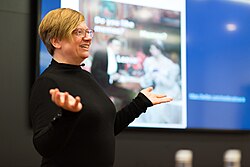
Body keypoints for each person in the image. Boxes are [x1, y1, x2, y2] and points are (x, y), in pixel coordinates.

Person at [29, 8, 173, 167]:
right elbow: (43, 146)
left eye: (88, 32)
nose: (87, 38)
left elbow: (107, 128)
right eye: (78, 32)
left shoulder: (86, 77)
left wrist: (140, 102)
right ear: (56, 41)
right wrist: (67, 115)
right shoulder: (48, 82)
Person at [134, 40, 182, 124]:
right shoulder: (148, 61)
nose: (151, 51)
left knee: (158, 108)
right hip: (158, 90)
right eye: (150, 49)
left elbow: (170, 83)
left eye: (153, 49)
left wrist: (159, 76)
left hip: (170, 91)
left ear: (159, 50)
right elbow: (147, 79)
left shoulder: (170, 64)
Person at [91, 37, 134, 110]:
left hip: (111, 85)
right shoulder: (100, 53)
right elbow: (95, 71)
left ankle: (121, 116)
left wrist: (119, 75)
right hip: (100, 86)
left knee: (131, 95)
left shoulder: (116, 56)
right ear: (110, 45)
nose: (119, 48)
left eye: (120, 46)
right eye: (117, 45)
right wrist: (110, 77)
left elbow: (113, 70)